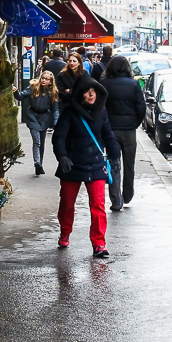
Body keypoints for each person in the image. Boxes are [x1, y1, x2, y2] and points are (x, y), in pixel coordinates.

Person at [52, 77, 120, 257]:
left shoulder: (101, 112)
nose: (91, 95)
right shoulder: (69, 113)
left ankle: (99, 243)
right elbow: (58, 137)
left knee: (98, 205)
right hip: (72, 164)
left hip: (95, 163)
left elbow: (108, 134)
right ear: (80, 93)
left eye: (94, 91)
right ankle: (65, 231)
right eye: (87, 91)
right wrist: (63, 157)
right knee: (67, 203)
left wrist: (115, 156)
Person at [99, 56, 145, 211]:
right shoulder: (133, 84)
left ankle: (116, 199)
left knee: (113, 163)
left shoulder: (104, 84)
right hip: (129, 130)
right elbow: (141, 107)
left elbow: (100, 107)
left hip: (110, 130)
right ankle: (128, 194)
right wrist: (135, 123)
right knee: (129, 163)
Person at [13, 71, 59, 175]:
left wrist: (56, 121)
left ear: (50, 82)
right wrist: (16, 92)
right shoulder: (33, 87)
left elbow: (55, 109)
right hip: (32, 116)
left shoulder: (53, 92)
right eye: (43, 78)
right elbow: (21, 96)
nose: (44, 80)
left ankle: (40, 164)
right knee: (36, 141)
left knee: (41, 142)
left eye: (47, 79)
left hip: (45, 118)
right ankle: (37, 163)